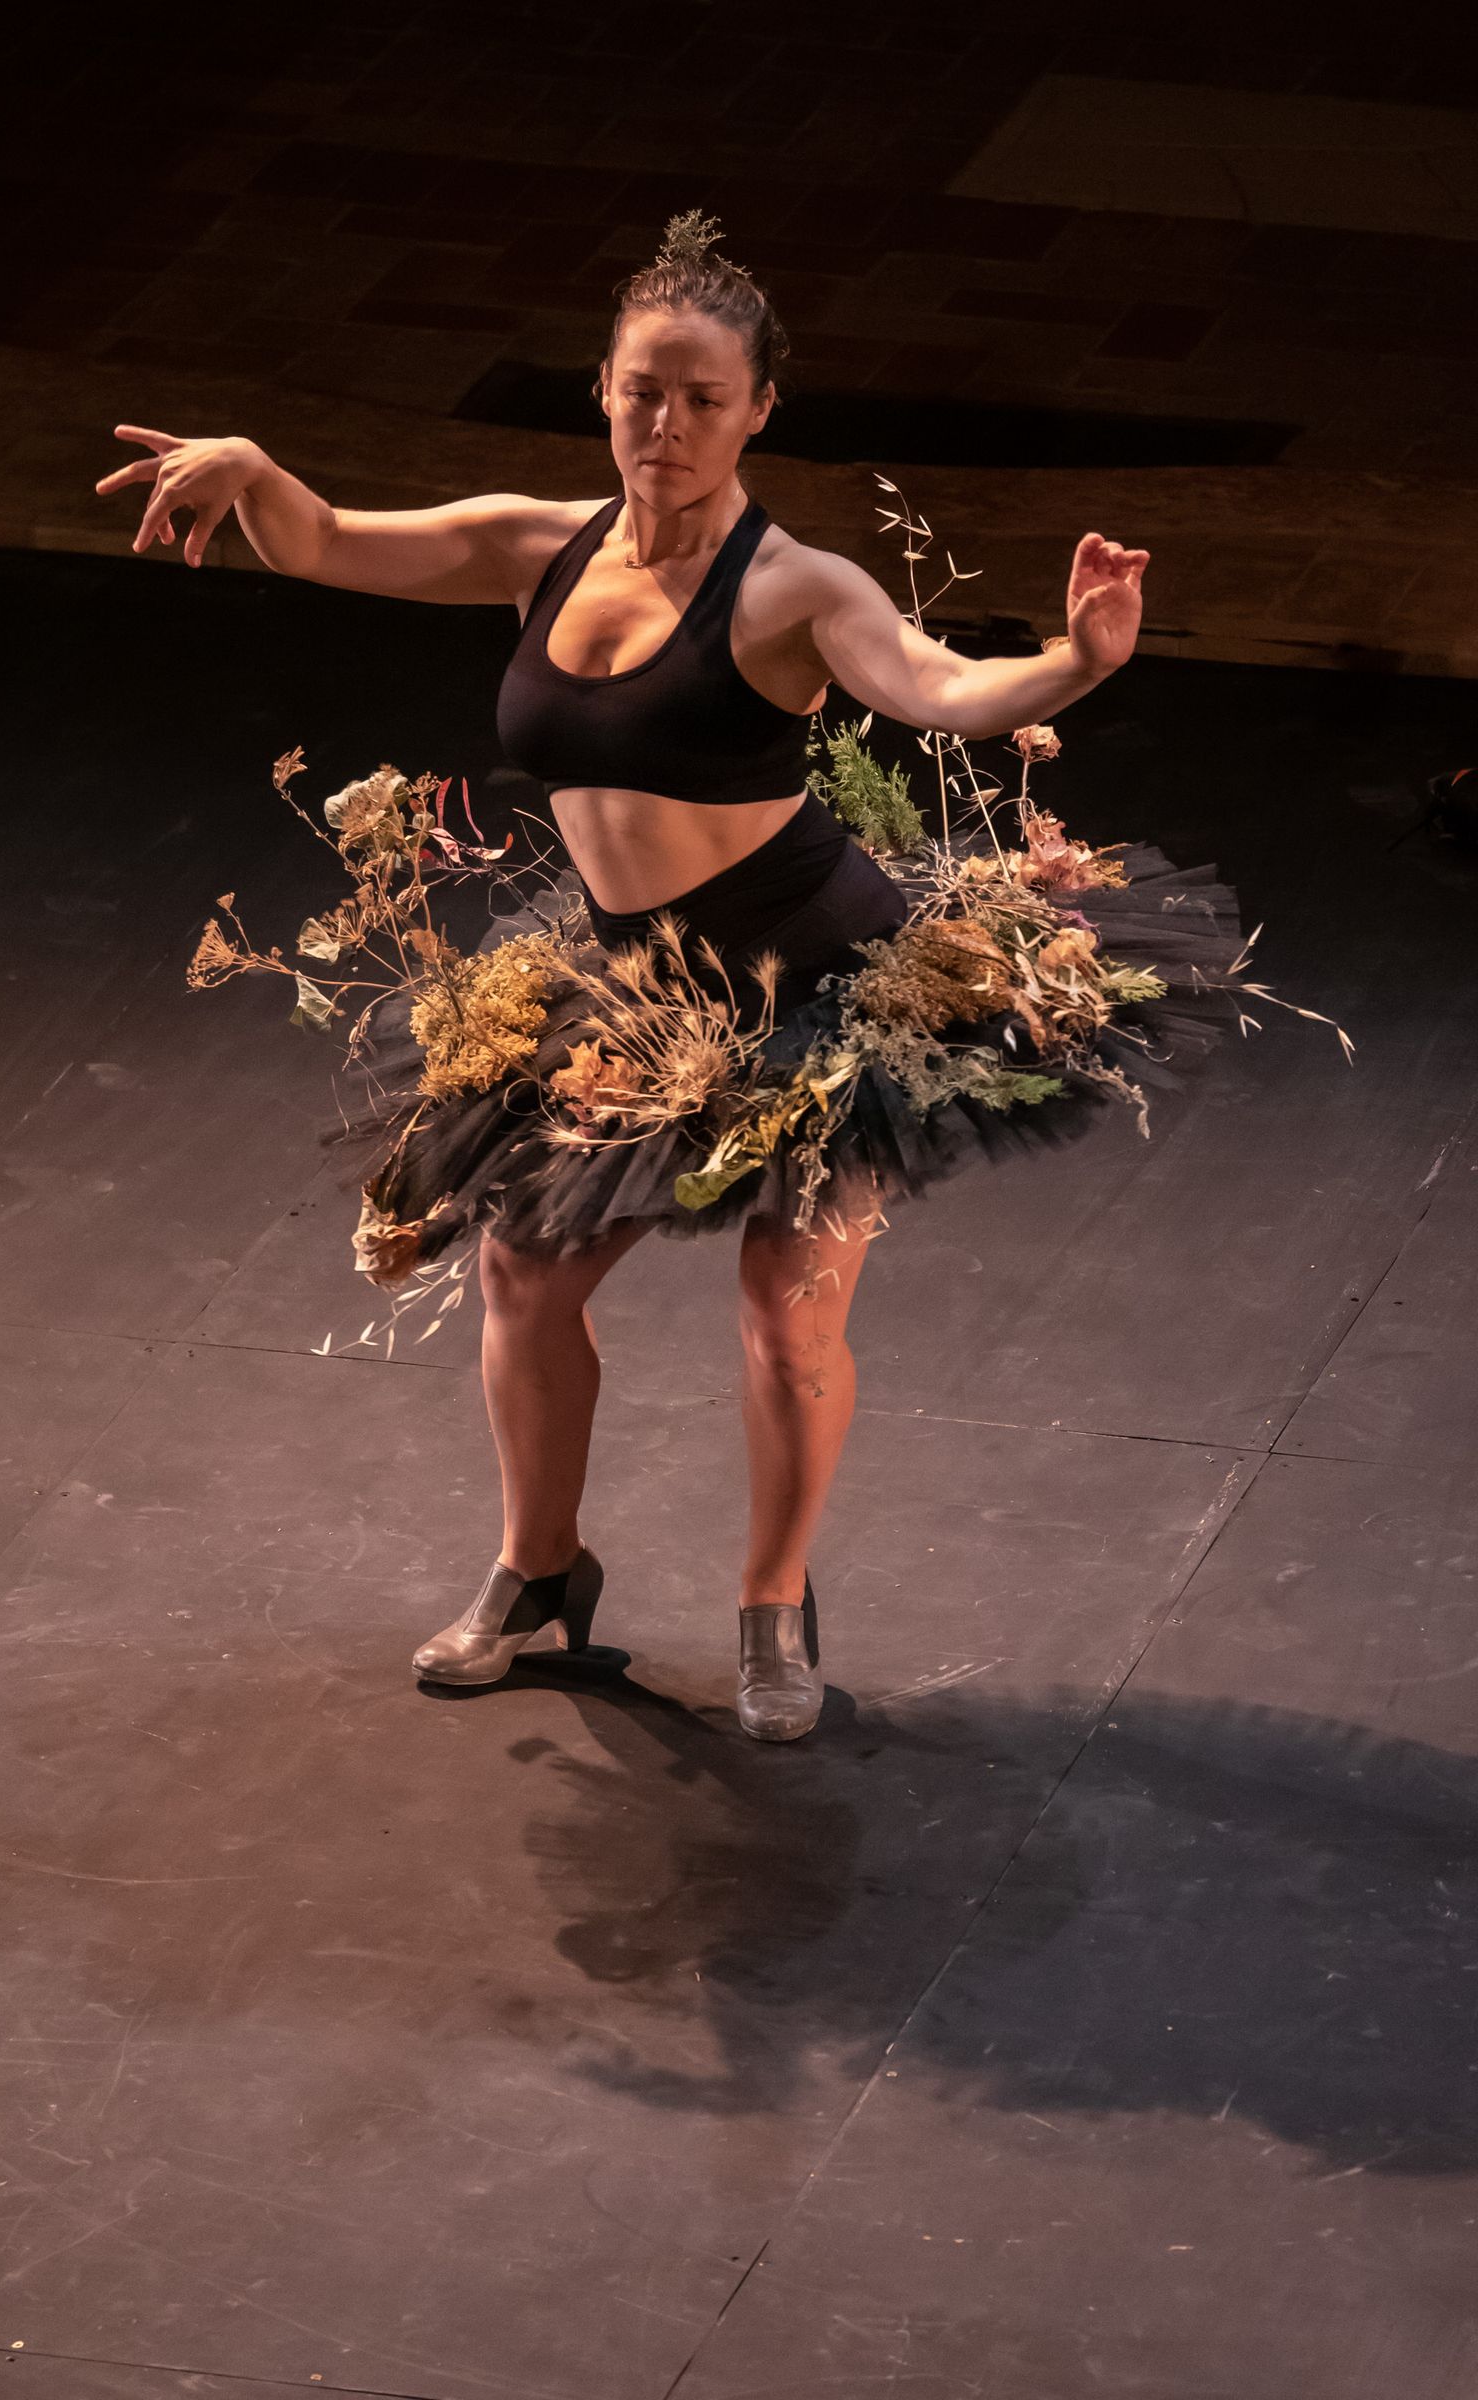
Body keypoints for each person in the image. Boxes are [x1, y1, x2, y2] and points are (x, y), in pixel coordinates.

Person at [96, 212, 1177, 1744]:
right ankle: (540, 1573)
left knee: (787, 1318)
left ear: (758, 411)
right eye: (640, 393)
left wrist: (1077, 664)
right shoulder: (537, 545)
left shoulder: (793, 589)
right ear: (602, 392)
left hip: (818, 987)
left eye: (703, 400)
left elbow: (938, 687)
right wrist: (253, 469)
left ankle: (773, 1606)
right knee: (524, 1277)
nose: (666, 425)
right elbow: (327, 538)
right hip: (632, 990)